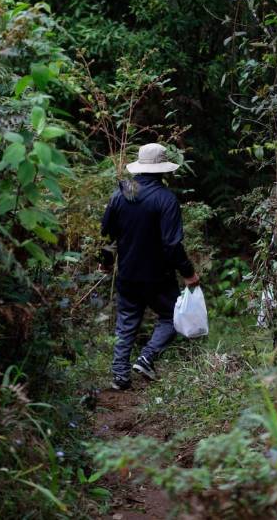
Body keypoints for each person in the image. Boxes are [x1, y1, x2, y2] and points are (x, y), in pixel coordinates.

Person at [100, 143, 200, 390]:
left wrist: (106, 262)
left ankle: (120, 376)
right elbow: (172, 244)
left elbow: (107, 235)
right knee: (172, 317)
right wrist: (188, 272)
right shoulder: (165, 199)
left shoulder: (123, 192)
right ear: (163, 169)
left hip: (127, 274)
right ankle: (147, 357)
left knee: (126, 323)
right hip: (158, 276)